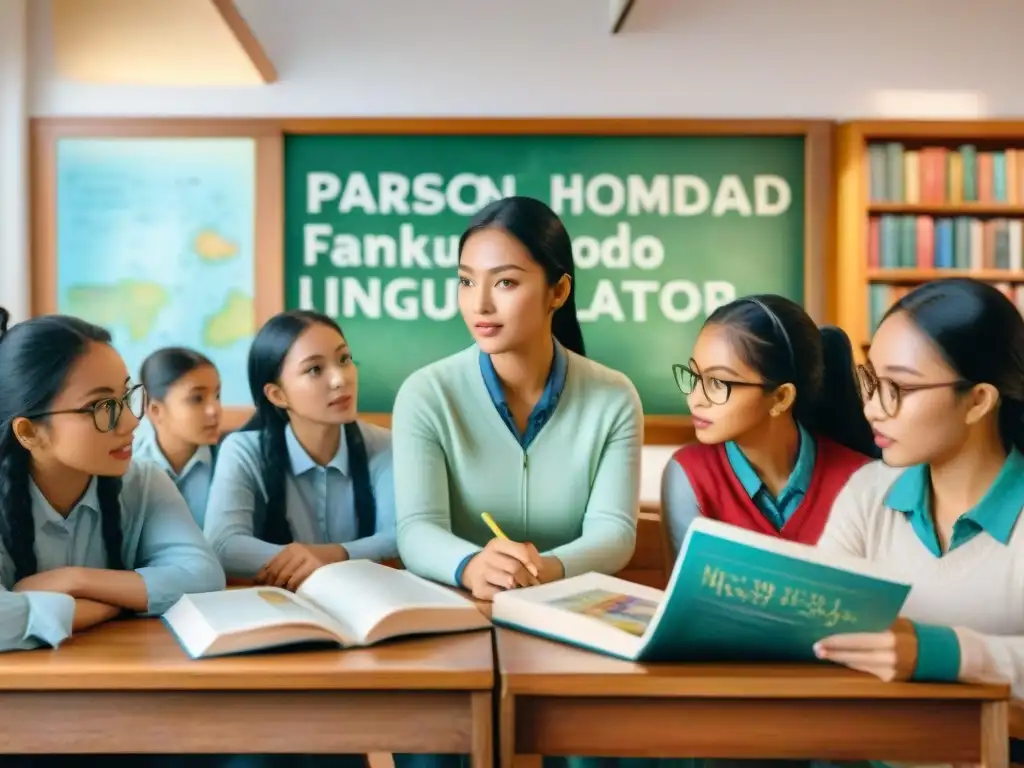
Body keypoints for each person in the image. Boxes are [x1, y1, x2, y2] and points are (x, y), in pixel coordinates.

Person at [391, 196, 643, 768]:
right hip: (453, 623)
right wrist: (472, 565)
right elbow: (417, 530)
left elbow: (615, 533)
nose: (478, 304)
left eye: (504, 282)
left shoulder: (614, 396)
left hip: (574, 624)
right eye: (464, 281)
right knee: (435, 746)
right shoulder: (426, 395)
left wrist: (545, 569)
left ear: (558, 291)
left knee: (607, 743)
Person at [810, 278, 1024, 765]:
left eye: (899, 389)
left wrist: (943, 654)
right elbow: (822, 624)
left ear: (979, 400)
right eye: (870, 382)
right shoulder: (867, 493)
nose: (871, 408)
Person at [662, 295, 877, 556]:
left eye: (718, 383)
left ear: (780, 397)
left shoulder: (863, 479)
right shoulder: (689, 474)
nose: (695, 399)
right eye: (695, 376)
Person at [204, 310, 396, 589]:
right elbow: (223, 546)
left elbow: (401, 536)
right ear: (277, 395)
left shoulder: (384, 445)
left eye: (344, 359)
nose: (340, 379)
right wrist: (311, 560)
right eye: (315, 369)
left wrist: (332, 555)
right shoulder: (243, 450)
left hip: (365, 600)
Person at [133, 346, 222, 528]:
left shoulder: (229, 463)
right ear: (156, 411)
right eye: (197, 398)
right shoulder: (128, 468)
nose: (215, 410)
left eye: (217, 396)